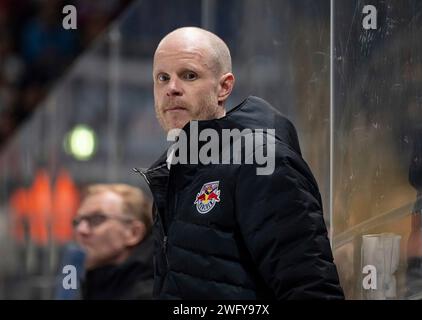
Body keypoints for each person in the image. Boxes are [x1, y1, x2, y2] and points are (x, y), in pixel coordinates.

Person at [135, 26, 344, 299]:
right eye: (162, 78)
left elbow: (310, 289)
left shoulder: (261, 159)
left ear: (224, 87)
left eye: (189, 75)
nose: (171, 89)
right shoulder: (171, 176)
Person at [73, 183, 154, 299]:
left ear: (134, 233)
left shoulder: (150, 294)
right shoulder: (94, 285)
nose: (81, 230)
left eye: (97, 219)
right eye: (77, 222)